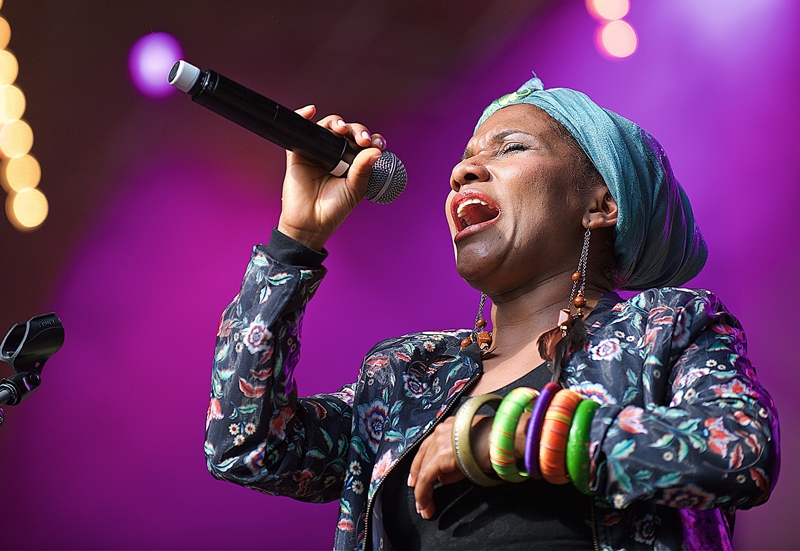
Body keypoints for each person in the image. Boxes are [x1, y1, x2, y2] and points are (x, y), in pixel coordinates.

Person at [204, 76, 780, 550]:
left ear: (602, 204)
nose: (464, 172)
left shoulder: (665, 329)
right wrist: (296, 239)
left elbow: (739, 450)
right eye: (464, 160)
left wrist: (505, 440)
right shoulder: (408, 375)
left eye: (510, 148)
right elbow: (246, 447)